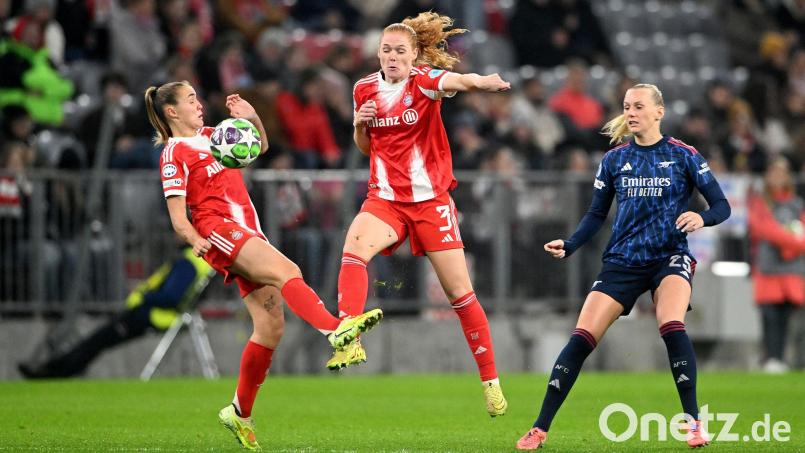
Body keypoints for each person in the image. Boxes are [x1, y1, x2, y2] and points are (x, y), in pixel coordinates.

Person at [143, 81, 382, 451]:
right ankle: (335, 332)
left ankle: (239, 412)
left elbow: (260, 147)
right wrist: (195, 240)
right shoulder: (174, 153)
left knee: (270, 327)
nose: (199, 103)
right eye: (191, 99)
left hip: (247, 231)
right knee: (289, 272)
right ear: (172, 112)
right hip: (220, 232)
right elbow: (178, 217)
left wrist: (252, 118)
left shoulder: (214, 135)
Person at [515, 84, 731, 450]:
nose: (631, 112)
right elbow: (596, 213)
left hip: (669, 256)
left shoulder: (684, 155)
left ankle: (693, 423)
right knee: (581, 338)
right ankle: (539, 428)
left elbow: (722, 205)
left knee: (671, 324)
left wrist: (702, 217)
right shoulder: (615, 159)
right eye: (627, 106)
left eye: (639, 106)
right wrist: (570, 244)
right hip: (622, 260)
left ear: (659, 112)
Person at [328, 12, 510, 417]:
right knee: (354, 246)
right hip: (386, 199)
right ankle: (349, 333)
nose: (393, 57)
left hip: (431, 202)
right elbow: (367, 148)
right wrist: (359, 127)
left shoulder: (423, 82)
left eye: (400, 51)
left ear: (414, 56)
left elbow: (457, 81)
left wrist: (481, 82)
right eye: (386, 50)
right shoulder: (363, 90)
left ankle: (491, 382)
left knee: (459, 295)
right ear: (378, 53)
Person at [17, 246, 215, 378]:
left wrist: (144, 294)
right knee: (99, 340)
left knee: (98, 339)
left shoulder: (189, 261)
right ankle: (59, 368)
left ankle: (54, 371)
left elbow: (171, 297)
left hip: (151, 314)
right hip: (160, 315)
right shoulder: (203, 262)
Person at [747, 157, 805, 373]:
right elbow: (763, 229)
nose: (778, 176)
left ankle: (784, 359)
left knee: (788, 318)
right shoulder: (760, 202)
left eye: (783, 172)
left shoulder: (797, 203)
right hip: (768, 270)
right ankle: (771, 358)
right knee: (769, 317)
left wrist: (791, 246)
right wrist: (793, 244)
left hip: (792, 271)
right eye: (774, 172)